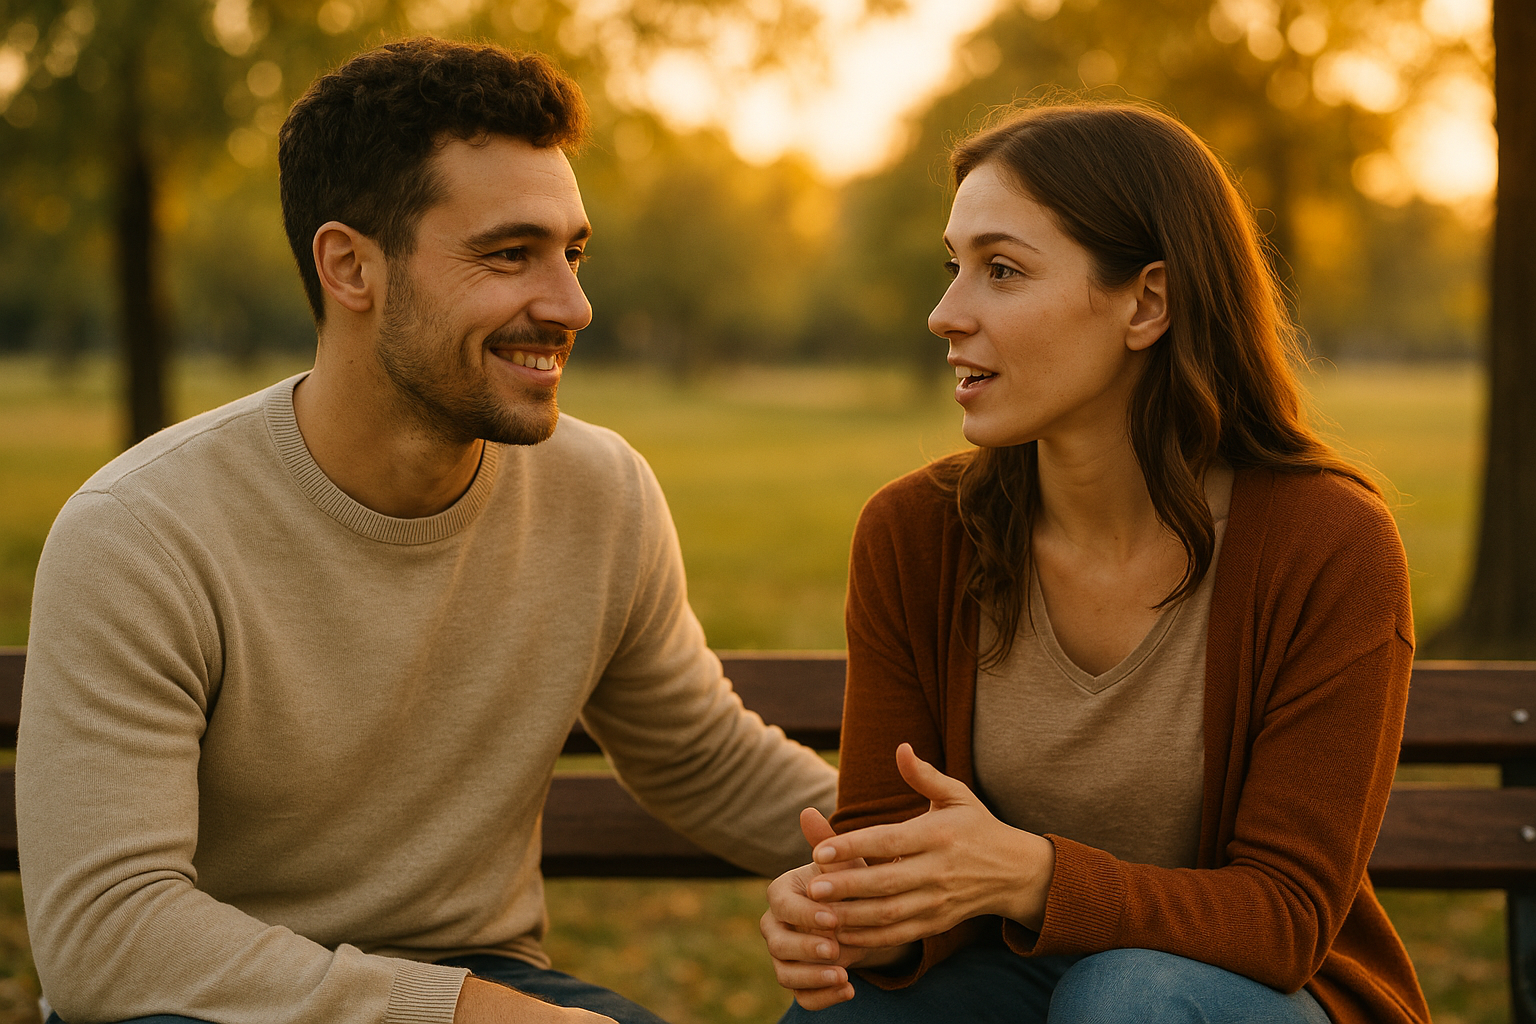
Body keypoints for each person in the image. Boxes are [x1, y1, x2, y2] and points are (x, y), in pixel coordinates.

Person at [17, 38, 836, 1024]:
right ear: (350, 266)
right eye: (509, 254)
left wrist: (910, 847)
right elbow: (110, 937)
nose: (571, 304)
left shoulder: (599, 491)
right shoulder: (141, 532)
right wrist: (463, 1014)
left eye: (572, 252)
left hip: (485, 974)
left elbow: (700, 755)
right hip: (198, 1004)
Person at [759, 102, 1431, 1024]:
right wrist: (853, 914)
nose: (945, 314)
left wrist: (1034, 875)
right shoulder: (915, 534)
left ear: (1146, 302)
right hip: (1026, 985)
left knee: (1127, 998)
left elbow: (1286, 918)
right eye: (952, 268)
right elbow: (894, 854)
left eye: (1001, 270)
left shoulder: (1328, 545)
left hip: (1264, 996)